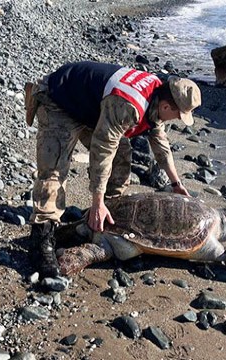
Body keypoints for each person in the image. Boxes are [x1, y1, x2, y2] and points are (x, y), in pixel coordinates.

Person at [24, 61, 202, 277]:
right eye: (178, 116)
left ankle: (108, 218)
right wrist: (96, 202)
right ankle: (41, 239)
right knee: (54, 169)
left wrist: (176, 184)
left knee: (121, 155)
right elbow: (102, 149)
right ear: (167, 107)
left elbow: (160, 144)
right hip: (60, 100)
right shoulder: (129, 104)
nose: (177, 120)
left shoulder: (159, 94)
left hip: (94, 107)